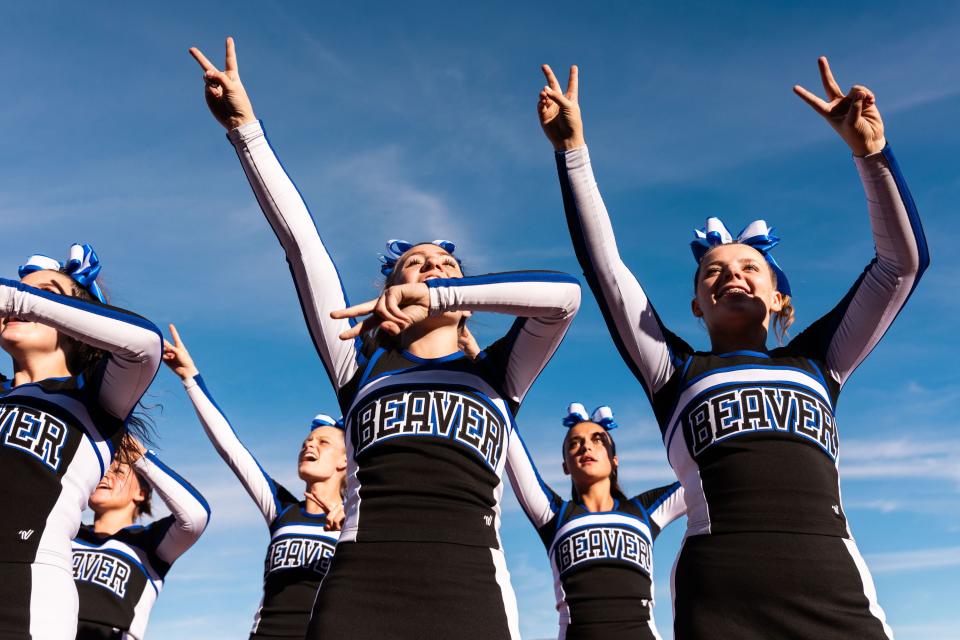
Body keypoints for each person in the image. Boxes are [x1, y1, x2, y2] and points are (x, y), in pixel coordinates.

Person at [188, 37, 581, 640]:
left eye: (446, 266)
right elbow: (302, 247)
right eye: (415, 265)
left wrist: (442, 295)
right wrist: (245, 130)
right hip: (358, 591)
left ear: (469, 298)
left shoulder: (498, 373)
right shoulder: (360, 364)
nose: (433, 269)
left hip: (470, 595)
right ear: (387, 289)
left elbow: (564, 299)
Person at [537, 58, 927, 639]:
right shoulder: (674, 370)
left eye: (750, 266)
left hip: (837, 597)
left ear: (777, 296)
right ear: (696, 303)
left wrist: (872, 155)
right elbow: (607, 272)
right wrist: (573, 151)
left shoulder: (821, 362)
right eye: (712, 272)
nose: (731, 275)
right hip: (720, 602)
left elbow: (902, 265)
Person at [0, 243, 163, 639]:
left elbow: (144, 344)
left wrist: (21, 298)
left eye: (47, 297)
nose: (22, 303)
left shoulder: (95, 400)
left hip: (27, 596)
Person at [162, 324, 345, 639]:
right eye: (306, 441)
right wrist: (190, 377)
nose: (309, 445)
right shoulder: (283, 510)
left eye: (323, 442)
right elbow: (232, 449)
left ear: (346, 460)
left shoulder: (361, 520)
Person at [507, 403, 684, 640]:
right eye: (574, 443)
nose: (586, 446)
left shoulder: (644, 512)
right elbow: (508, 437)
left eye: (597, 439)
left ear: (615, 460)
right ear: (565, 466)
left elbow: (708, 477)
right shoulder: (554, 515)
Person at [73, 437, 210, 640]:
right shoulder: (68, 532)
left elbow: (196, 516)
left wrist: (141, 458)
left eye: (118, 471)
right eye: (103, 470)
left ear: (141, 493)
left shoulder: (149, 542)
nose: (106, 476)